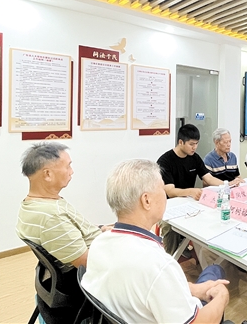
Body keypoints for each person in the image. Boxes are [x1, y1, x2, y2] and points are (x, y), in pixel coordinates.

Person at [82, 159, 230, 324]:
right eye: (162, 188)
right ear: (146, 200)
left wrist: (194, 289)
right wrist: (222, 296)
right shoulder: (158, 265)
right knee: (215, 270)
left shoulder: (99, 243)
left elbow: (155, 288)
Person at [16, 142, 108, 324]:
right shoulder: (51, 217)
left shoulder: (34, 204)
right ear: (47, 174)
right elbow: (85, 261)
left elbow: (72, 235)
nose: (71, 171)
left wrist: (102, 230)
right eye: (68, 166)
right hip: (82, 278)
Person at [157, 124, 226, 254]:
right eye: (191, 144)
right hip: (167, 207)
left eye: (196, 144)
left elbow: (208, 178)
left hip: (189, 204)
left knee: (210, 217)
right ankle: (170, 258)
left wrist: (227, 185)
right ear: (180, 142)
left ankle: (200, 256)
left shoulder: (195, 158)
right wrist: (191, 191)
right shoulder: (165, 161)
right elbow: (170, 192)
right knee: (170, 227)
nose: (195, 147)